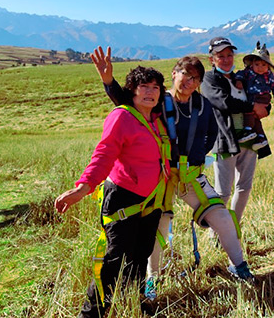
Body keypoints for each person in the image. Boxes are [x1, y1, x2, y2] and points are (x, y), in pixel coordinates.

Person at [93, 48, 254, 295]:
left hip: (191, 176)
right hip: (160, 179)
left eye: (195, 79)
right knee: (157, 230)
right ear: (174, 74)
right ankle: (151, 281)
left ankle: (239, 266)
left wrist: (197, 158)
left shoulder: (204, 105)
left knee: (223, 218)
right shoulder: (157, 101)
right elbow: (126, 103)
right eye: (185, 75)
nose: (189, 82)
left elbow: (211, 134)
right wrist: (108, 81)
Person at [55, 66, 169, 317]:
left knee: (140, 257)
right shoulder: (122, 117)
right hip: (123, 198)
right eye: (144, 87)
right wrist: (84, 187)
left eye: (156, 87)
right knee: (113, 262)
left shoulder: (157, 118)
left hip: (151, 202)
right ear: (132, 91)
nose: (150, 92)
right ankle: (91, 313)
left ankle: (133, 305)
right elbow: (104, 154)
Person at [201, 37, 270, 225]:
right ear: (212, 59)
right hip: (225, 141)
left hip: (250, 140)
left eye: (229, 55)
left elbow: (262, 97)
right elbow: (223, 102)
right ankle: (216, 232)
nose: (226, 59)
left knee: (245, 187)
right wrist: (253, 106)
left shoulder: (243, 77)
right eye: (220, 56)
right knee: (222, 191)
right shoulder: (209, 79)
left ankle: (232, 228)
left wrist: (264, 108)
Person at [234, 41, 274, 151]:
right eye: (257, 64)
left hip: (263, 98)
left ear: (268, 65)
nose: (260, 67)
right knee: (255, 118)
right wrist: (239, 81)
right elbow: (239, 74)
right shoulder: (247, 72)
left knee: (249, 111)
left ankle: (248, 130)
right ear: (252, 64)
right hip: (251, 98)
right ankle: (261, 137)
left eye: (264, 65)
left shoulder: (269, 75)